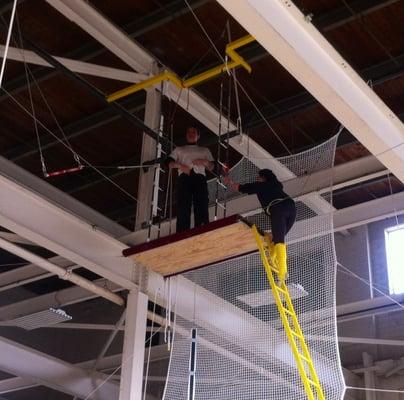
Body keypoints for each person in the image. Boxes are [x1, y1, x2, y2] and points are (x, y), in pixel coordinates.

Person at [225, 169, 296, 281]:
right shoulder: (276, 185)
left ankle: (282, 270)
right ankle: (273, 260)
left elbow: (243, 188)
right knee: (276, 238)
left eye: (259, 177)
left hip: (278, 207)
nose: (257, 179)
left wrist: (230, 182)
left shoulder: (262, 185)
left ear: (264, 177)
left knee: (278, 240)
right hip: (291, 208)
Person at [167, 127, 214, 233]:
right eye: (188, 132)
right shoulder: (179, 149)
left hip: (199, 178)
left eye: (193, 132)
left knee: (201, 202)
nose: (190, 134)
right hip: (184, 177)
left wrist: (204, 162)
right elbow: (168, 163)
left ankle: (202, 228)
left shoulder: (204, 150)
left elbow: (212, 167)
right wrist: (180, 166)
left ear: (198, 136)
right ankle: (182, 231)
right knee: (183, 204)